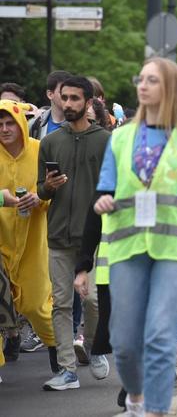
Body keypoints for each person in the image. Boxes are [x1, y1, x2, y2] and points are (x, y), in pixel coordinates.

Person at [94, 57, 177, 415]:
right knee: (124, 343)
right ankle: (135, 396)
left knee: (161, 339)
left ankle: (157, 411)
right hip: (128, 247)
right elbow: (105, 189)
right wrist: (103, 200)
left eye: (152, 80)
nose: (143, 85)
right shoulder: (119, 138)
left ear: (171, 89)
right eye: (141, 79)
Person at [37, 76, 110, 390]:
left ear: (89, 102)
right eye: (64, 98)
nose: (67, 104)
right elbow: (41, 191)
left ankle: (93, 348)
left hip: (95, 236)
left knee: (93, 300)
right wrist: (47, 188)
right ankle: (67, 370)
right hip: (58, 235)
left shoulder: (106, 140)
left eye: (74, 99)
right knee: (61, 304)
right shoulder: (50, 142)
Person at [0, 101, 57, 375]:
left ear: (21, 123)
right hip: (1, 242)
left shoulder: (38, 150)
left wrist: (39, 198)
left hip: (34, 241)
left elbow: (54, 187)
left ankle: (61, 353)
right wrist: (4, 199)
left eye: (10, 123)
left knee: (36, 305)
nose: (4, 129)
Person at [29, 70, 72, 139]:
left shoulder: (80, 124)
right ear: (50, 94)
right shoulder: (35, 125)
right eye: (62, 92)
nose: (67, 96)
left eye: (70, 92)